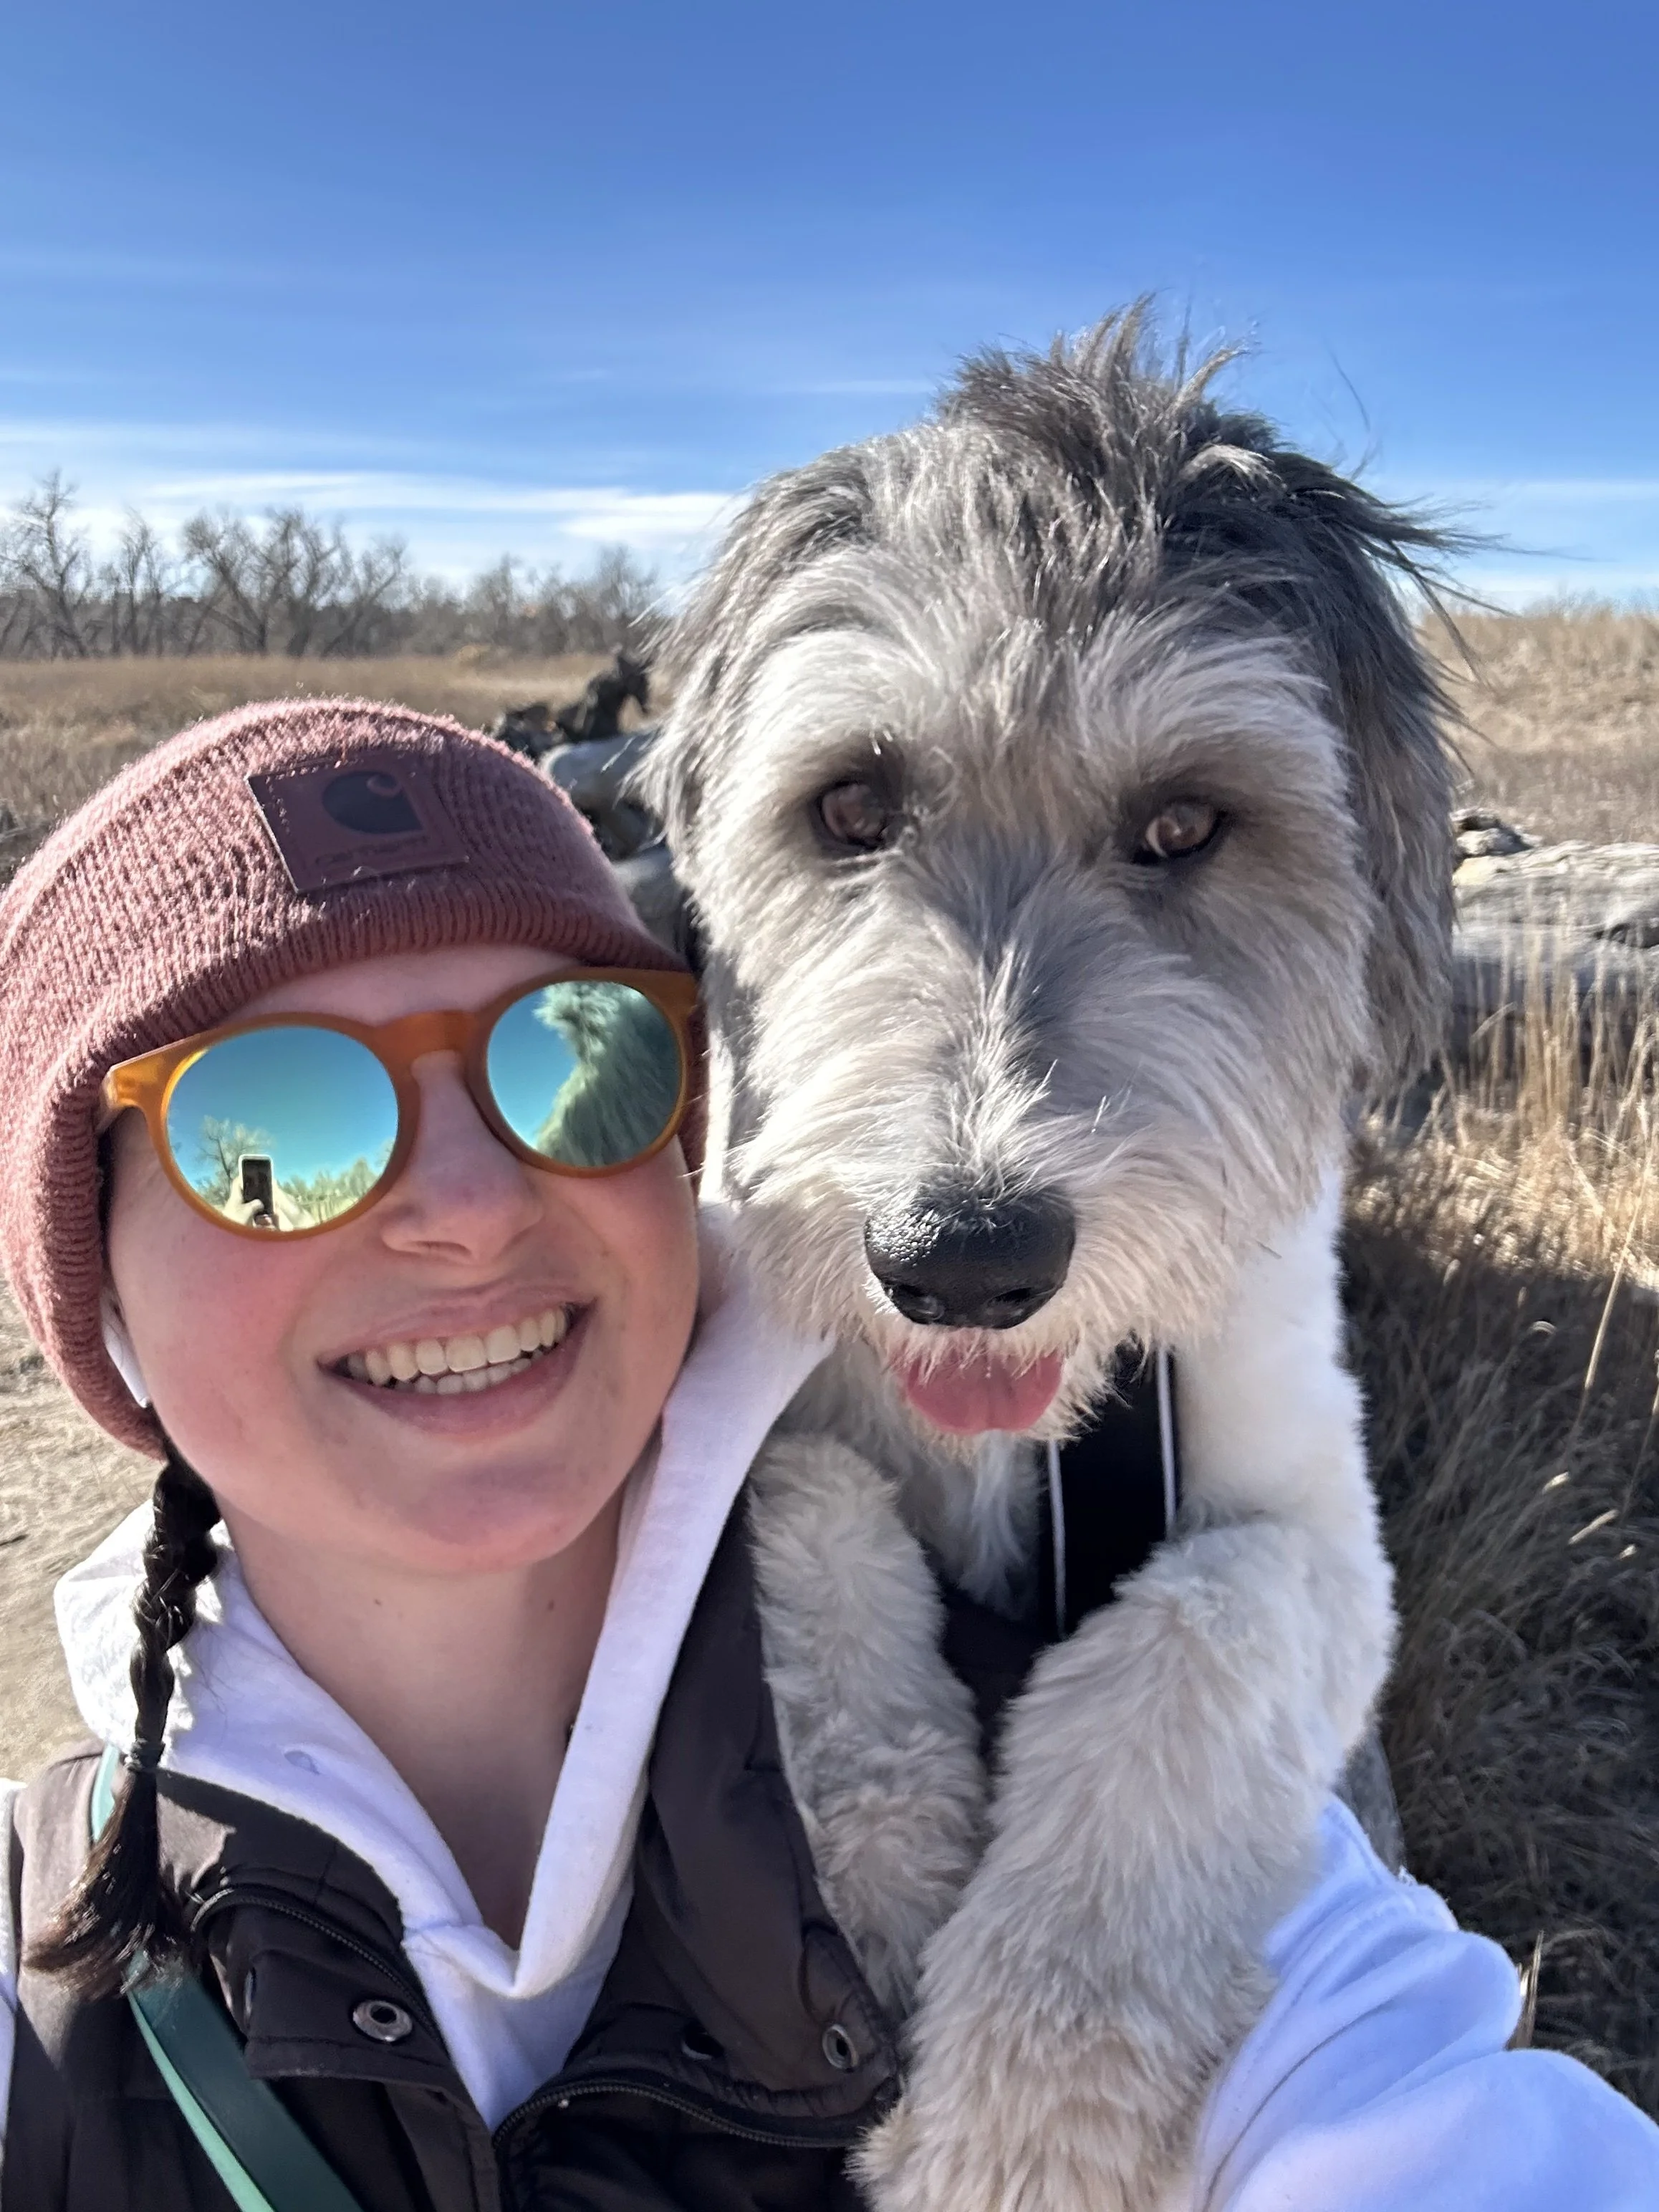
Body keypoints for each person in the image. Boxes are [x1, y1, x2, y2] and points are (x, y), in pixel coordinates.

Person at [0, 698, 1655, 2212]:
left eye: (577, 1060)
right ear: (96, 1281)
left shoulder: (1071, 1761)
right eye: (274, 1126)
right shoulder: (38, 1977)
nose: (472, 1204)